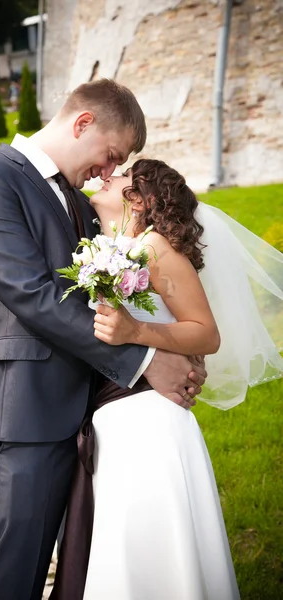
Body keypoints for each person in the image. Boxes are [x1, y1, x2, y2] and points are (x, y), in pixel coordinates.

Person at [0, 79, 206, 600]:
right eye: (110, 155)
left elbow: (111, 295)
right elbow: (33, 296)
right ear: (83, 122)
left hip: (95, 418)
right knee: (13, 577)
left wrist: (179, 347)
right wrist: (147, 360)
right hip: (28, 415)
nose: (110, 172)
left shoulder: (82, 203)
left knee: (84, 573)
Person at [51, 159, 283, 600]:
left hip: (148, 419)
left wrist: (137, 332)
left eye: (120, 177)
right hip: (113, 417)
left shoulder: (154, 247)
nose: (106, 176)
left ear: (140, 201)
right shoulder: (103, 248)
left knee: (156, 545)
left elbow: (205, 332)